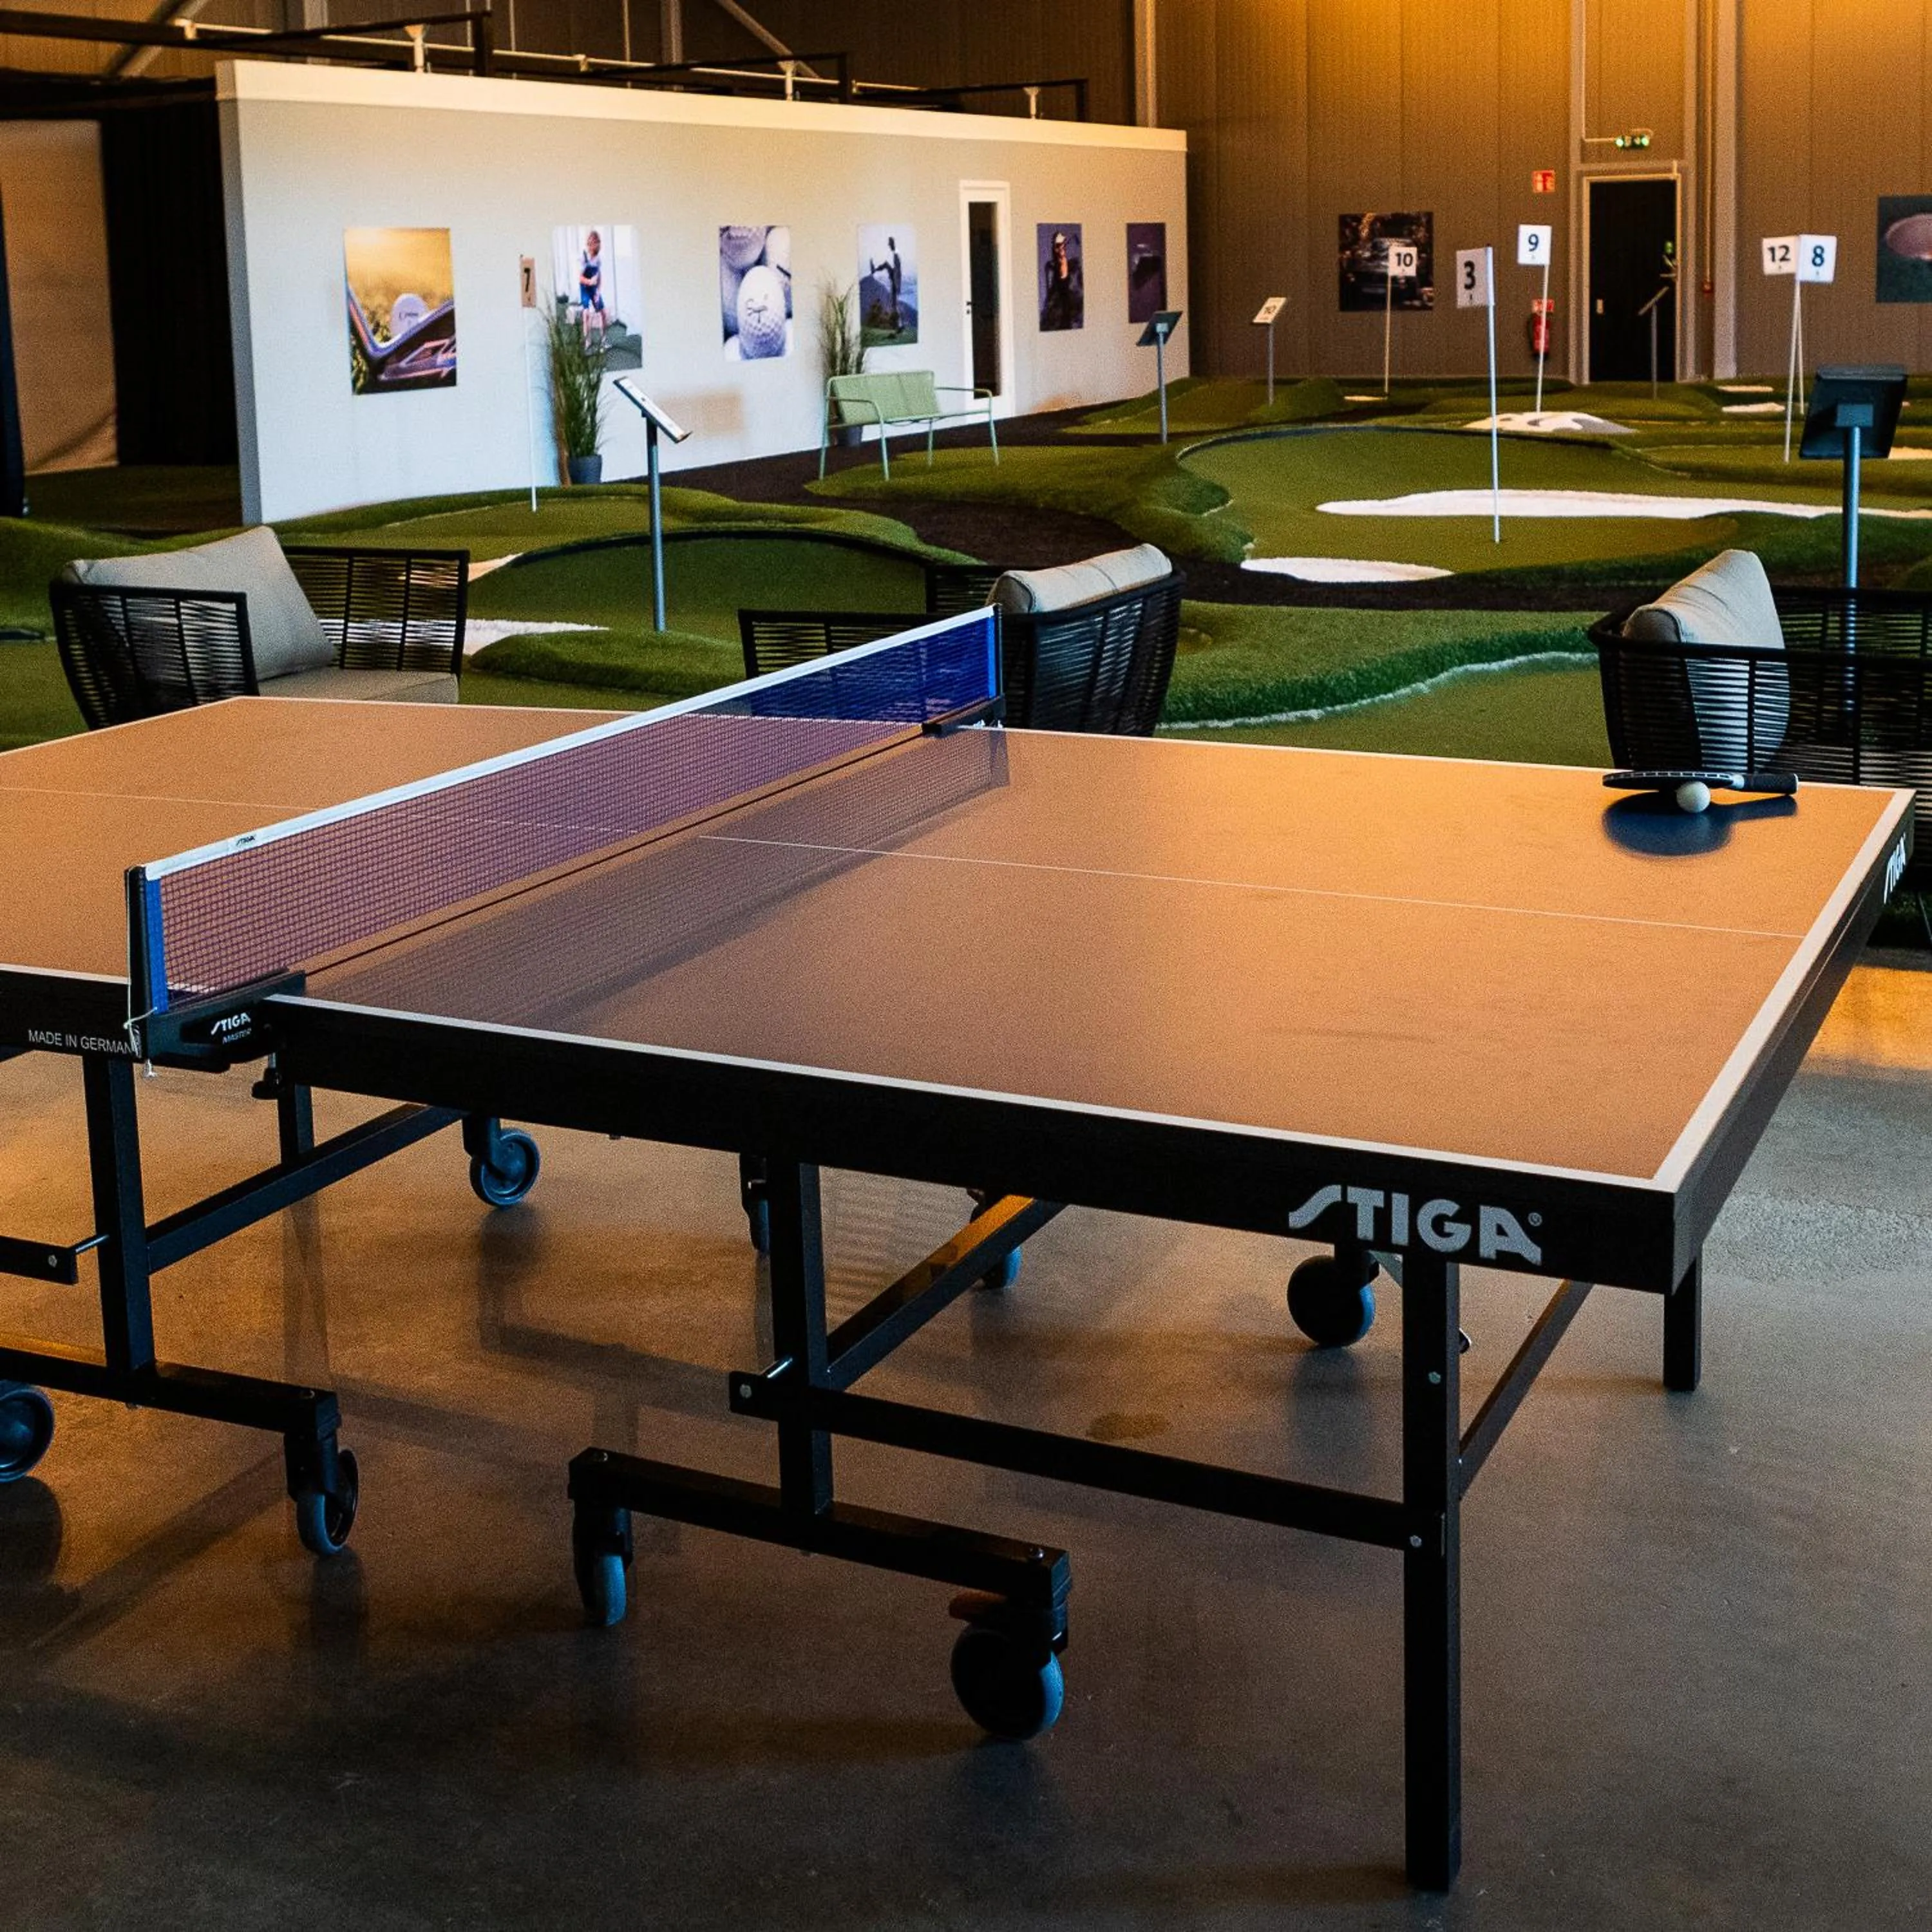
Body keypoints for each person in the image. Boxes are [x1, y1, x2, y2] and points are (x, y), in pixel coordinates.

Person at [1041, 229, 1081, 332]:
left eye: (1063, 244)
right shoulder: (1051, 266)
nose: (1062, 247)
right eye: (1059, 245)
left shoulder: (1069, 264)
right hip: (1057, 310)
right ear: (1055, 248)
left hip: (1068, 308)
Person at [578, 230, 606, 347]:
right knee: (586, 314)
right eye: (591, 242)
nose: (593, 244)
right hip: (585, 289)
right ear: (588, 242)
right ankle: (587, 341)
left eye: (596, 242)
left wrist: (598, 292)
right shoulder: (584, 257)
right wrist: (589, 281)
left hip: (594, 289)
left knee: (603, 314)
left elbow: (599, 277)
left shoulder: (598, 259)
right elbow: (580, 278)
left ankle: (604, 339)